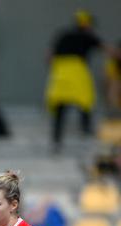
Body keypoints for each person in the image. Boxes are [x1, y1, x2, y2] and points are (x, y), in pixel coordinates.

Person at [44, 11, 116, 151]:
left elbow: (49, 56)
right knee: (85, 102)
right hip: (78, 73)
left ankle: (56, 141)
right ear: (88, 24)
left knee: (60, 107)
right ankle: (86, 131)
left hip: (61, 75)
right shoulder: (88, 36)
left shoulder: (63, 34)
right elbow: (109, 50)